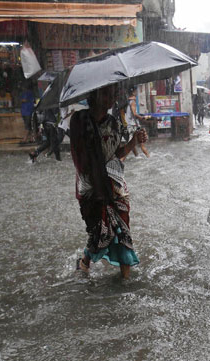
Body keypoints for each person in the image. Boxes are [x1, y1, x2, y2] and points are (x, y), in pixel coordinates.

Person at [69, 84, 147, 279]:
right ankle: (85, 261)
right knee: (99, 231)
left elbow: (118, 153)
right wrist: (97, 173)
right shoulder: (79, 121)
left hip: (114, 182)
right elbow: (80, 157)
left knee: (122, 230)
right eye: (106, 93)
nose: (111, 97)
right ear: (94, 95)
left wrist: (134, 141)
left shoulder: (113, 123)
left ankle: (125, 280)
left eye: (113, 93)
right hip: (91, 185)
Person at [124, 87, 150, 157]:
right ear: (133, 93)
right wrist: (143, 117)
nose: (137, 93)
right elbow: (134, 114)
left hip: (129, 124)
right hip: (134, 125)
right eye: (136, 91)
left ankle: (137, 156)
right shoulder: (133, 102)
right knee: (141, 142)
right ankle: (148, 156)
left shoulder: (127, 102)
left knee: (131, 142)